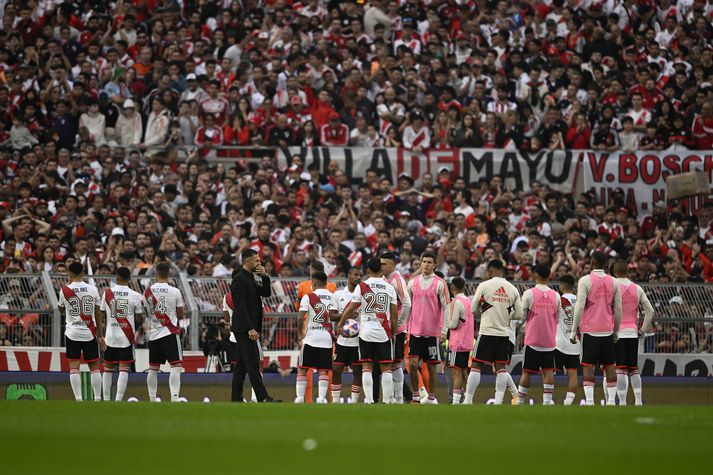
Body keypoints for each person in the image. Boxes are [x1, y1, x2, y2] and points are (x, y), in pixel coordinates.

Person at [337, 257, 398, 404]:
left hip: (365, 332)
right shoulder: (389, 287)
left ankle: (369, 400)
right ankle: (388, 401)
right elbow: (394, 315)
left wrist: (340, 323)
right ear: (381, 269)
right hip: (383, 332)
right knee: (386, 368)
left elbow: (351, 307)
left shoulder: (362, 286)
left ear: (368, 270)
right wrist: (394, 332)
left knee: (366, 366)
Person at [463, 260, 523, 405]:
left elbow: (472, 309)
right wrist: (507, 316)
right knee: (501, 368)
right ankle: (498, 401)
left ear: (490, 271)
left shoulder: (484, 286)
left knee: (477, 365)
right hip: (503, 334)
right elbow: (519, 314)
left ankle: (468, 399)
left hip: (486, 331)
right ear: (503, 271)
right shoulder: (512, 289)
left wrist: (484, 313)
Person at [569, 252, 622, 406]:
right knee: (610, 365)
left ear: (591, 263)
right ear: (606, 265)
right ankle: (611, 401)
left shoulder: (585, 280)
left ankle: (590, 401)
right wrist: (616, 331)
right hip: (607, 329)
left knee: (587, 365)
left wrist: (573, 330)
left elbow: (579, 306)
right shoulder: (614, 282)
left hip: (590, 329)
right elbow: (618, 309)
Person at [229, 249, 276, 402]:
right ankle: (262, 397)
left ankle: (236, 397)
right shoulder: (240, 279)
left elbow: (266, 293)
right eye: (256, 260)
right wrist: (250, 328)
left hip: (247, 328)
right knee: (253, 364)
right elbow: (240, 307)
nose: (259, 262)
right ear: (247, 261)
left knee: (241, 367)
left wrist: (265, 276)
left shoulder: (250, 278)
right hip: (244, 329)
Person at [58, 261, 104, 401]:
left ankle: (78, 398)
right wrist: (100, 336)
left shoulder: (65, 290)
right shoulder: (92, 289)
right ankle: (97, 397)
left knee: (74, 366)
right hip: (89, 332)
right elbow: (98, 314)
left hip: (72, 332)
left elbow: (60, 309)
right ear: (83, 273)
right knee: (94, 366)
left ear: (69, 274)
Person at [407, 252, 449, 404]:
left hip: (432, 333)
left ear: (435, 265)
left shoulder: (440, 283)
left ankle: (431, 397)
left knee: (432, 367)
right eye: (423, 261)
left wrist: (444, 331)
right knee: (412, 365)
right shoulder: (412, 283)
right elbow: (407, 307)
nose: (425, 264)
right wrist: (406, 327)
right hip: (415, 332)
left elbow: (447, 307)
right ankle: (416, 396)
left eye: (429, 262)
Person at [517, 265, 561, 405]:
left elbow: (522, 317)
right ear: (549, 277)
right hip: (549, 340)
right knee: (548, 372)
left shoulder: (529, 293)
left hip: (533, 340)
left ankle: (520, 402)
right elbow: (558, 318)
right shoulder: (556, 295)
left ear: (535, 275)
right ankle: (547, 402)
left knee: (527, 372)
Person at [612, 260, 654, 406]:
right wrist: (642, 329)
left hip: (617, 333)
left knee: (620, 369)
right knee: (633, 369)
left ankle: (622, 402)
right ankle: (638, 401)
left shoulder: (612, 286)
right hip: (632, 332)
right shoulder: (637, 288)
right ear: (627, 272)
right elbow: (650, 311)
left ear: (615, 272)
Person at [100, 266, 144, 401]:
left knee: (108, 368)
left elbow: (101, 314)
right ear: (129, 279)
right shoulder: (135, 295)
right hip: (126, 336)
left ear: (116, 278)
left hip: (110, 336)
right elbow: (139, 318)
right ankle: (118, 400)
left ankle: (106, 399)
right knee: (124, 368)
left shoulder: (107, 293)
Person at [144, 262, 185, 402]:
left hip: (154, 333)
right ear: (169, 274)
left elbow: (146, 311)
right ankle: (174, 397)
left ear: (156, 273)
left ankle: (151, 398)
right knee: (176, 365)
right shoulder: (175, 291)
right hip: (169, 332)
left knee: (153, 368)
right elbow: (180, 315)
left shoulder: (148, 291)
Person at [295, 272, 336, 404]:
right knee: (324, 371)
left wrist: (301, 335)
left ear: (314, 282)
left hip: (311, 338)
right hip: (327, 339)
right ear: (326, 282)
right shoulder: (333, 296)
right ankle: (321, 399)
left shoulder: (308, 296)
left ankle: (300, 398)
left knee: (303, 368)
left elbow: (301, 316)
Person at [380, 252, 412, 404]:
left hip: (396, 330)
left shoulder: (397, 280)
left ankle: (399, 398)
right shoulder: (383, 279)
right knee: (390, 363)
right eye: (381, 264)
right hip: (386, 329)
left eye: (385, 264)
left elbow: (407, 303)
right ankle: (393, 397)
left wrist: (398, 324)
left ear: (393, 264)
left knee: (396, 363)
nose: (382, 267)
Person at [331, 267, 363, 404]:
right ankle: (336, 401)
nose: (358, 277)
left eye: (360, 275)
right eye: (355, 275)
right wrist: (346, 315)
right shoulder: (338, 295)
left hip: (358, 340)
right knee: (336, 370)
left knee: (357, 371)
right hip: (342, 340)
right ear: (348, 276)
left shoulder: (364, 294)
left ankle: (354, 402)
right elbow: (332, 316)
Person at [441, 277, 473, 405]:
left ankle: (455, 401)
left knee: (456, 372)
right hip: (467, 342)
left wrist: (445, 323)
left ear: (452, 288)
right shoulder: (468, 301)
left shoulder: (455, 302)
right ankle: (467, 398)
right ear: (464, 287)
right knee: (464, 371)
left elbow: (453, 324)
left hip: (457, 343)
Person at [555, 275, 580, 406]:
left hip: (559, 343)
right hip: (575, 344)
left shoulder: (559, 301)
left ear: (562, 286)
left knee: (549, 371)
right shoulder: (581, 301)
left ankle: (548, 398)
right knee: (573, 374)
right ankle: (568, 402)